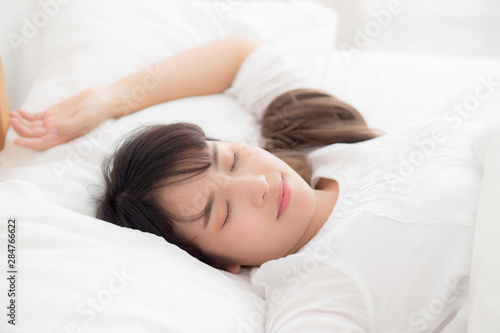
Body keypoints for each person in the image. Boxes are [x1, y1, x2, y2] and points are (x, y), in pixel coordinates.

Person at [10, 35, 484, 332]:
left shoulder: (327, 145)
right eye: (223, 212)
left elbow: (239, 57)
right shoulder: (317, 290)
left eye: (233, 159)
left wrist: (109, 99)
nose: (255, 185)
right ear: (222, 263)